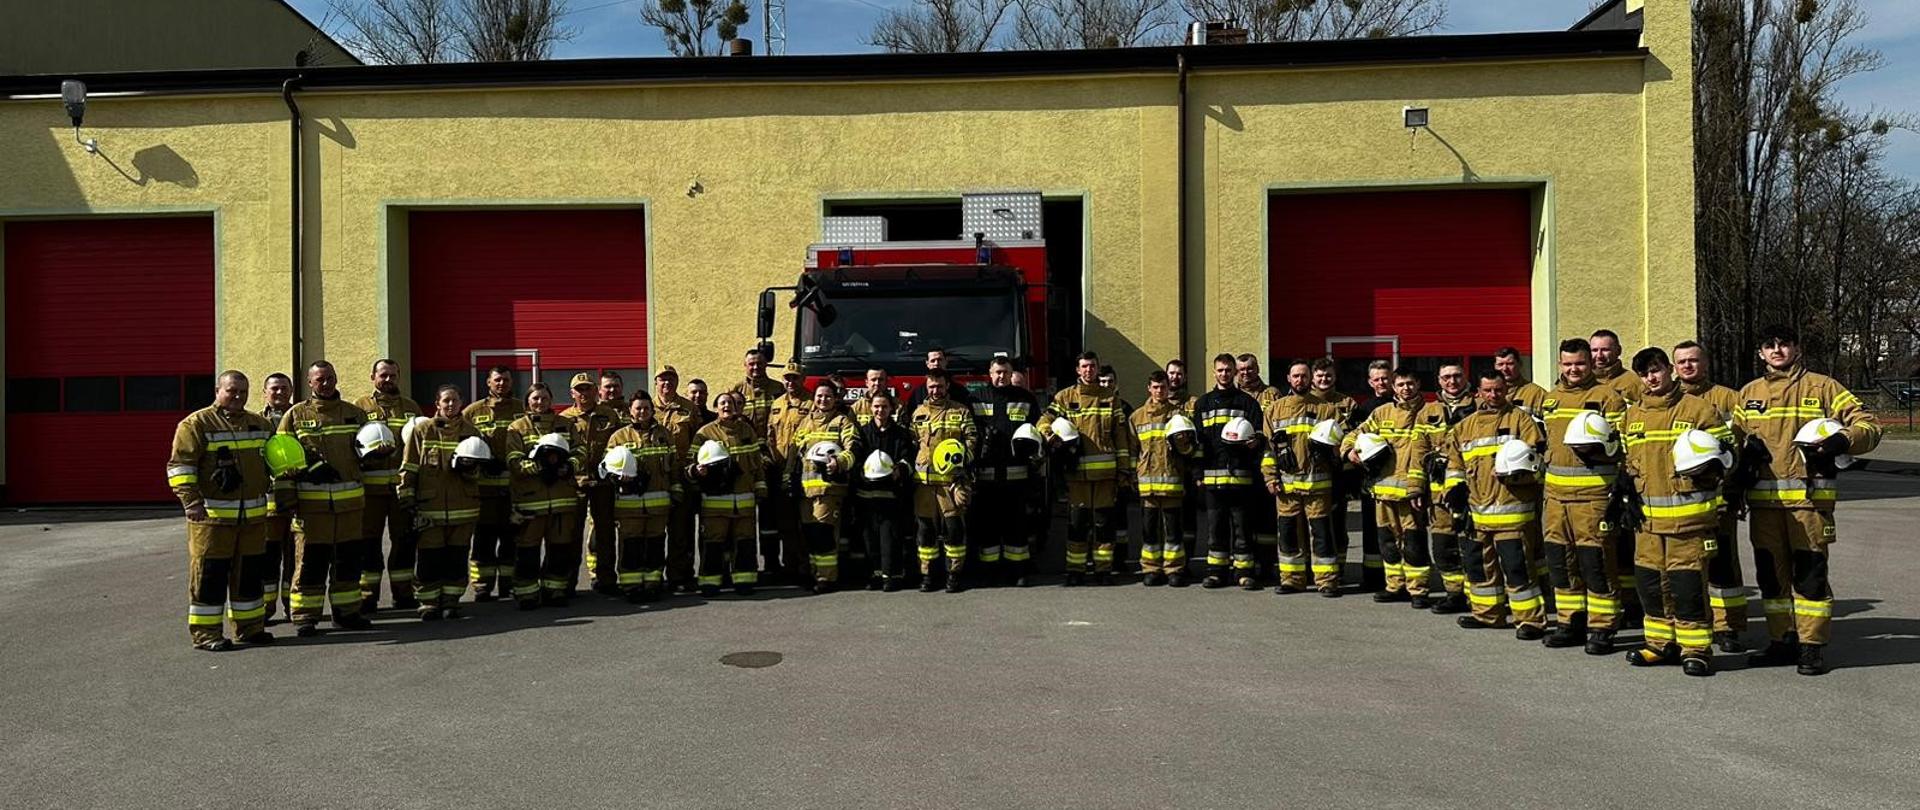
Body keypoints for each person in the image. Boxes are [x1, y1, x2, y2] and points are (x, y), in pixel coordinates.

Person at [1737, 324, 1880, 675]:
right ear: (1760, 352)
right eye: (1769, 345)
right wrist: (1740, 463)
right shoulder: (1749, 393)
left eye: (1784, 344)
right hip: (1764, 507)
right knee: (1771, 578)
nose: (1777, 350)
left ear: (1797, 348)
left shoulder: (1824, 387)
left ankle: (1811, 646)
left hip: (1810, 504)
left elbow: (1869, 425)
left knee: (1809, 575)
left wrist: (1843, 440)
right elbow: (1732, 441)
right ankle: (1781, 641)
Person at [1619, 347, 1734, 676]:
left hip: (1689, 520)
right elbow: (1626, 460)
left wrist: (1710, 471)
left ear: (1670, 369)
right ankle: (1659, 644)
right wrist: (1624, 488)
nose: (1651, 378)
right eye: (1644, 373)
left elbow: (1727, 454)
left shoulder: (1698, 409)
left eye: (1656, 370)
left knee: (1687, 587)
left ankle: (1696, 649)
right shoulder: (1632, 416)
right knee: (1651, 586)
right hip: (1647, 524)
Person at [167, 371, 277, 650]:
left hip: (253, 519)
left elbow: (275, 463)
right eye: (232, 390)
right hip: (211, 520)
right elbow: (180, 467)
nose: (238, 396)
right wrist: (191, 502)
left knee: (249, 577)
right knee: (209, 578)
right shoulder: (196, 424)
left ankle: (250, 628)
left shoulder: (261, 424)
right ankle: (206, 634)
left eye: (243, 391)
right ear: (218, 390)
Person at [1538, 338, 1630, 654]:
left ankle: (1602, 627)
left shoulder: (1607, 398)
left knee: (1596, 563)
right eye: (1567, 364)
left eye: (1579, 363)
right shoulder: (1550, 399)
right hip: (1555, 498)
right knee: (1560, 562)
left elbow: (1622, 446)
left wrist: (1602, 453)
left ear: (1590, 363)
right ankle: (1570, 622)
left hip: (1594, 497)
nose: (1573, 369)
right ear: (1559, 365)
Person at [1441, 371, 1548, 639]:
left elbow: (1537, 460)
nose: (1493, 395)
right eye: (1487, 390)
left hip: (1513, 513)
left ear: (1506, 390)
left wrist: (1519, 475)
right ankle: (1488, 614)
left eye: (1498, 390)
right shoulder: (1464, 427)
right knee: (1479, 568)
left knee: (1518, 569)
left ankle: (1530, 621)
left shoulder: (1521, 420)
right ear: (1478, 392)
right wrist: (1454, 490)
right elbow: (1454, 463)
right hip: (1476, 514)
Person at [280, 360, 373, 635]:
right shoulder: (295, 415)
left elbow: (368, 452)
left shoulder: (355, 414)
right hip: (311, 509)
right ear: (309, 382)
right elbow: (281, 458)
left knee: (348, 563)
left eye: (330, 377)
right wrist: (287, 499)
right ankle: (305, 617)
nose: (326, 383)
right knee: (311, 563)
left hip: (349, 507)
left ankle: (347, 613)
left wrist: (379, 453)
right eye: (319, 379)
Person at [1673, 340, 1751, 652]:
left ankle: (1727, 627)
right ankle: (1692, 622)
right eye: (1681, 361)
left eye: (1693, 360)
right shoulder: (1667, 400)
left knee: (1722, 563)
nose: (1687, 366)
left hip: (1720, 498)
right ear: (1674, 366)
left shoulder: (1729, 398)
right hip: (1679, 500)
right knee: (1686, 566)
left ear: (1705, 363)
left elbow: (1741, 444)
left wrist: (1737, 487)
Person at [1041, 352, 1135, 586]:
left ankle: (1104, 570)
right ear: (1077, 370)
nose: (1088, 370)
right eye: (1084, 366)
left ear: (1098, 368)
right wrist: (1050, 436)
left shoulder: (1110, 398)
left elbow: (1120, 437)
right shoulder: (1065, 397)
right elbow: (1044, 420)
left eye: (1092, 366)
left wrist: (1124, 470)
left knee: (1104, 525)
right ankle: (1076, 570)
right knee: (1077, 524)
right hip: (1076, 475)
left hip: (1105, 476)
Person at [1343, 367, 1432, 606]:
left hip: (1412, 492)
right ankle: (1395, 586)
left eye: (1410, 383)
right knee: (1388, 542)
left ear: (1418, 384)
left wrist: (1420, 486)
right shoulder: (1382, 413)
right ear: (1394, 387)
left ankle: (1418, 590)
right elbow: (1355, 433)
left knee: (1413, 542)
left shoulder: (1430, 412)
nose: (1406, 388)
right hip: (1383, 491)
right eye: (1401, 384)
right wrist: (1349, 450)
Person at [396, 385, 483, 620]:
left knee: (457, 556)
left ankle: (451, 601)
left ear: (462, 402)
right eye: (446, 401)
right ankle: (428, 602)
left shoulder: (472, 432)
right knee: (429, 557)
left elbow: (479, 471)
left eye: (455, 400)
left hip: (463, 507)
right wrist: (407, 497)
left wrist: (469, 469)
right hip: (429, 508)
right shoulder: (422, 431)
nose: (451, 404)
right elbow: (409, 466)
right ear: (437, 404)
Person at [1265, 358, 1351, 595]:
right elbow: (1268, 450)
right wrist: (1270, 478)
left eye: (1304, 376)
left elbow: (1343, 443)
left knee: (1322, 534)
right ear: (1288, 379)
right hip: (1286, 488)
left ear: (1310, 379)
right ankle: (1291, 580)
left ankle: (1327, 581)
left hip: (1318, 485)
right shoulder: (1274, 410)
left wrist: (1332, 452)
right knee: (1289, 534)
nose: (1300, 380)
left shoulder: (1327, 410)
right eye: (1296, 376)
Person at [353, 359, 424, 611]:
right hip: (370, 491)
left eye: (392, 375)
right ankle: (367, 595)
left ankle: (403, 593)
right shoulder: (360, 407)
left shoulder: (411, 407)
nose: (388, 379)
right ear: (373, 376)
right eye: (383, 375)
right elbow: (353, 446)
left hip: (402, 490)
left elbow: (420, 446)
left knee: (405, 542)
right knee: (368, 543)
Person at [506, 384, 584, 610]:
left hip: (562, 499)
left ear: (551, 400)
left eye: (544, 398)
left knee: (559, 550)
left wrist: (569, 466)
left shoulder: (566, 424)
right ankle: (526, 593)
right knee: (527, 551)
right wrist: (538, 467)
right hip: (531, 501)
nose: (540, 402)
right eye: (535, 398)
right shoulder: (517, 427)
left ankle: (555, 590)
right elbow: (513, 460)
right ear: (527, 401)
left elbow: (580, 451)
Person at [1194, 354, 1264, 589]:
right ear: (1214, 372)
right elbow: (1198, 443)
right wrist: (1197, 475)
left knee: (1243, 528)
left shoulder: (1247, 403)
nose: (1224, 374)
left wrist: (1256, 442)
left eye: (1228, 370)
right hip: (1212, 479)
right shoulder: (1203, 404)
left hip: (1241, 477)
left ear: (1235, 372)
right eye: (1220, 370)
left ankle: (1244, 572)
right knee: (1216, 529)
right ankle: (1216, 572)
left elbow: (1259, 434)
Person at [1588, 329, 1643, 622]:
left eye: (1605, 349)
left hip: (1625, 471)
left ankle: (1633, 604)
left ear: (1618, 351)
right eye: (1595, 350)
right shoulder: (1585, 384)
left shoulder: (1632, 384)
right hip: (1596, 476)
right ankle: (1611, 600)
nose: (1599, 355)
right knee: (1603, 543)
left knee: (1627, 544)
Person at [606, 392, 682, 602]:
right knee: (631, 546)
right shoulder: (618, 437)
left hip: (658, 505)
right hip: (629, 506)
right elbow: (608, 468)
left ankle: (652, 583)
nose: (642, 412)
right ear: (630, 411)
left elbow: (674, 465)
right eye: (638, 408)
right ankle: (631, 586)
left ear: (652, 410)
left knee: (655, 545)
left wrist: (676, 490)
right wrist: (620, 478)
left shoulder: (665, 435)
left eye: (646, 408)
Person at [971, 356, 1041, 585]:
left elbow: (1038, 429)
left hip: (1017, 476)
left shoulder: (1025, 399)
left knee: (1017, 526)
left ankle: (1017, 571)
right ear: (990, 374)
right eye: (997, 372)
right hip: (986, 477)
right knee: (988, 526)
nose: (1001, 376)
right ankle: (990, 572)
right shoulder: (977, 398)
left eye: (1005, 372)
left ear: (1012, 374)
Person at [691, 391, 769, 596]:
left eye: (731, 403)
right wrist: (696, 472)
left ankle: (744, 582)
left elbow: (757, 462)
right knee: (713, 544)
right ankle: (710, 583)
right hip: (715, 503)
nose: (727, 406)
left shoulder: (747, 431)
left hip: (744, 501)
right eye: (722, 403)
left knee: (745, 543)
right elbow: (690, 462)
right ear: (716, 408)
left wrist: (761, 488)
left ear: (736, 407)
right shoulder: (705, 432)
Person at [910, 370, 980, 592]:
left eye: (939, 386)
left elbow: (972, 440)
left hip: (952, 483)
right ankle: (928, 576)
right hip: (924, 484)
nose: (935, 390)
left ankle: (954, 575)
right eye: (931, 386)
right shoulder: (918, 413)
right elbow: (912, 443)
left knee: (954, 530)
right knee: (925, 532)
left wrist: (962, 462)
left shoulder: (960, 411)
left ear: (947, 386)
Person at [1416, 362, 1477, 614]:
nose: (1452, 381)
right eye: (1446, 377)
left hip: (1472, 490)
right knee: (1443, 546)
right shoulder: (1427, 412)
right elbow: (1418, 452)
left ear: (1465, 377)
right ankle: (1454, 594)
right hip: (1438, 493)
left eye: (1457, 376)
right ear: (1439, 381)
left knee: (1472, 545)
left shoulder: (1479, 406)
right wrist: (1416, 488)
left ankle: (1478, 597)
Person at [461, 365, 522, 602]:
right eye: (497, 380)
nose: (501, 384)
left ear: (511, 382)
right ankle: (482, 586)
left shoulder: (521, 409)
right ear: (488, 382)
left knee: (511, 538)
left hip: (512, 489)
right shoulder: (472, 412)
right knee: (483, 540)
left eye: (506, 379)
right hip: (482, 490)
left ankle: (509, 583)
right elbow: (461, 445)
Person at [791, 381, 858, 592]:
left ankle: (826, 578)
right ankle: (813, 573)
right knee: (809, 533)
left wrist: (839, 462)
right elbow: (794, 453)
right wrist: (788, 477)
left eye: (828, 396)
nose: (823, 399)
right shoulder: (805, 423)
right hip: (806, 489)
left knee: (824, 534)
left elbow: (853, 448)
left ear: (835, 399)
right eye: (819, 396)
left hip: (830, 489)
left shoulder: (842, 421)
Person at [1132, 370, 1196, 586]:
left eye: (1163, 387)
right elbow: (1132, 451)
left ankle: (1174, 569)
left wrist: (1183, 443)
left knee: (1173, 530)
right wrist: (1131, 476)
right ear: (1149, 388)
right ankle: (1151, 569)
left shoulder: (1179, 416)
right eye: (1156, 387)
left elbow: (1190, 450)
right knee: (1149, 531)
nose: (1160, 391)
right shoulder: (1137, 417)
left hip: (1172, 482)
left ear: (1169, 389)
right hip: (1147, 484)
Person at [730, 349, 789, 581]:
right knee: (743, 515)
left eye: (760, 364)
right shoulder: (736, 390)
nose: (756, 368)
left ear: (766, 365)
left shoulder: (778, 389)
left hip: (771, 460)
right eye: (751, 364)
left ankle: (772, 562)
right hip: (745, 460)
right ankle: (745, 563)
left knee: (769, 515)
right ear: (744, 365)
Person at [852, 390, 917, 590]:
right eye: (876, 406)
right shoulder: (862, 432)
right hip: (866, 495)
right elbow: (855, 456)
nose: (880, 410)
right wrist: (860, 472)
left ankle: (891, 577)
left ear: (891, 409)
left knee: (890, 538)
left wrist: (900, 470)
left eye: (884, 406)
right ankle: (875, 576)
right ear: (870, 408)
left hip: (891, 495)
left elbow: (908, 458)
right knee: (870, 538)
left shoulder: (900, 434)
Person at [1346, 359, 1395, 594]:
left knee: (1395, 532)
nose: (1381, 382)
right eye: (1377, 379)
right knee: (1371, 530)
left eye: (1385, 378)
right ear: (1370, 382)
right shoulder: (1364, 410)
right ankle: (1372, 577)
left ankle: (1396, 578)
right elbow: (1353, 439)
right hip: (1371, 480)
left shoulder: (1401, 407)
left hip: (1396, 478)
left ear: (1392, 379)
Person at [653, 367, 702, 593]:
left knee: (681, 530)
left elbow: (698, 442)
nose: (667, 383)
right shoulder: (646, 408)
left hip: (682, 477)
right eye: (662, 379)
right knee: (653, 530)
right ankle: (653, 576)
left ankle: (680, 575)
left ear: (677, 382)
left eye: (671, 379)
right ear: (656, 382)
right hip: (655, 478)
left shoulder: (689, 408)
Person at [766, 361, 811, 582]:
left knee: (804, 521)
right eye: (787, 378)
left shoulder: (812, 403)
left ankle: (805, 566)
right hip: (779, 470)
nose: (791, 382)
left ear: (803, 380)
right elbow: (770, 437)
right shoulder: (776, 404)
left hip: (802, 471)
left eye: (795, 378)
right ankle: (789, 565)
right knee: (785, 522)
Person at [258, 372, 296, 620]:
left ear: (291, 391)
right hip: (267, 506)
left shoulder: (300, 418)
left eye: (284, 388)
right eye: (274, 388)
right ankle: (266, 607)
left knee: (295, 558)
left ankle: (293, 605)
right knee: (267, 559)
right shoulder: (255, 423)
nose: (280, 392)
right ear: (265, 392)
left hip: (297, 503)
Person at [903, 347, 977, 415]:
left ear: (946, 361)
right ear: (927, 364)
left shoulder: (960, 391)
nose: (936, 363)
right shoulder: (918, 393)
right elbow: (911, 417)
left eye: (939, 360)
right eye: (933, 361)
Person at [1495, 347, 1549, 416]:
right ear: (1495, 366)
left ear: (1520, 364)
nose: (1505, 368)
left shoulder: (1536, 393)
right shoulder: (1487, 393)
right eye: (1500, 364)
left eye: (1510, 364)